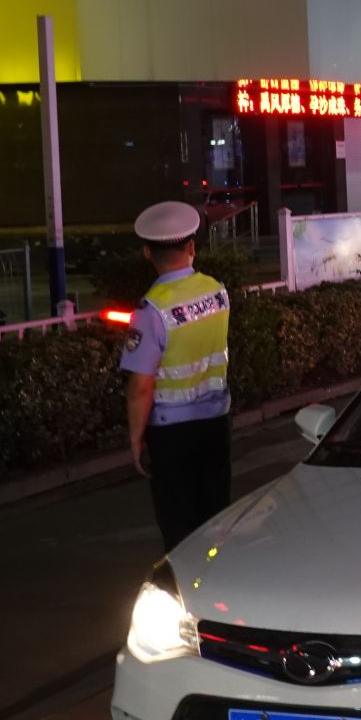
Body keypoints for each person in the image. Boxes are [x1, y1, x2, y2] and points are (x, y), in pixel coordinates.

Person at [121, 201, 233, 550]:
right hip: (215, 423)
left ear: (147, 253)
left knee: (179, 528)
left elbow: (141, 387)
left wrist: (136, 440)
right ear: (192, 248)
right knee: (215, 519)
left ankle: (187, 582)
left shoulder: (152, 309)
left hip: (171, 435)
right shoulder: (217, 292)